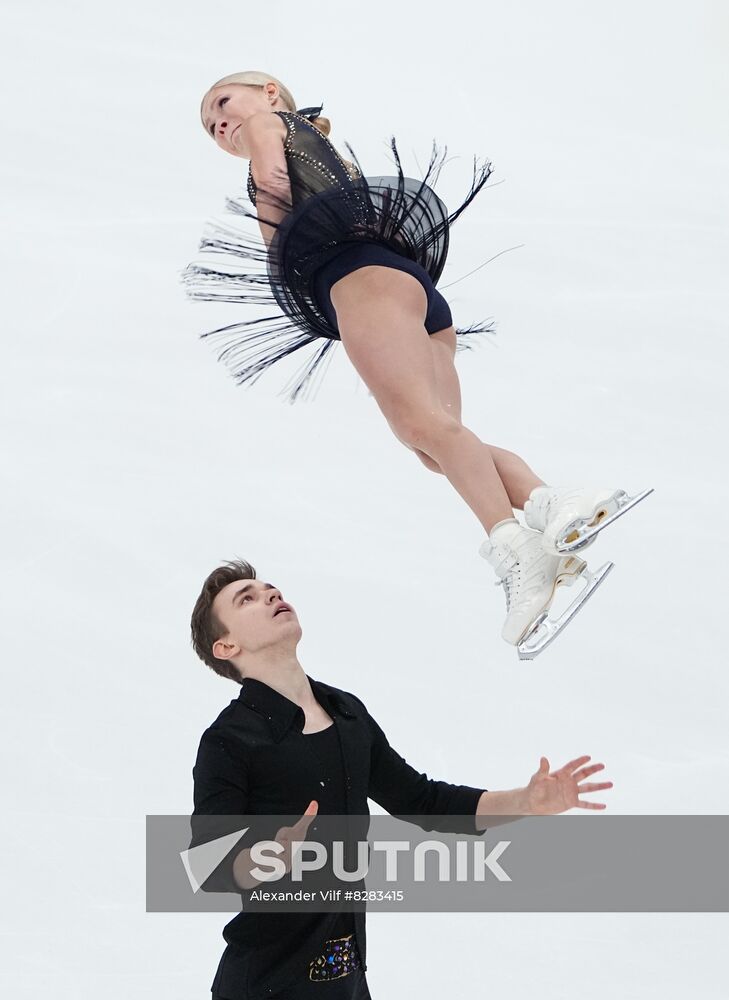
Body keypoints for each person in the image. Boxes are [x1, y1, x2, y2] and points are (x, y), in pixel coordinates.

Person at [184, 70, 652, 658]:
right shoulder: (306, 133)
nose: (221, 122)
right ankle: (550, 504)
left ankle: (519, 550)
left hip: (359, 281)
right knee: (438, 445)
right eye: (210, 126)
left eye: (222, 104)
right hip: (413, 291)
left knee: (421, 428)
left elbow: (275, 181)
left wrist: (277, 249)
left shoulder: (265, 124)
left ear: (269, 93)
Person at [188, 560, 613, 999]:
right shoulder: (231, 740)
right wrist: (266, 857)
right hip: (262, 985)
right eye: (248, 599)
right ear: (226, 646)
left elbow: (423, 801)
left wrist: (526, 801)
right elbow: (208, 864)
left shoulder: (347, 714)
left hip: (346, 982)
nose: (271, 595)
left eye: (269, 588)